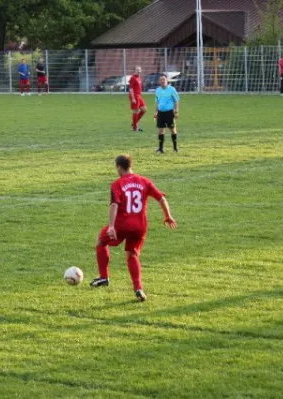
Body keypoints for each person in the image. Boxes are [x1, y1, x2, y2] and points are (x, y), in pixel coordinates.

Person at [90, 154, 177, 302]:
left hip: (121, 225)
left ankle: (104, 277)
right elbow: (161, 198)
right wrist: (168, 215)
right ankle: (138, 288)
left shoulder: (117, 184)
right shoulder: (144, 181)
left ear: (119, 167)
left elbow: (114, 205)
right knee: (132, 254)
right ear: (130, 166)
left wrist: (111, 226)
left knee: (101, 241)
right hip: (139, 226)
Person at [154, 74, 180, 153]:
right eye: (161, 80)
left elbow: (176, 101)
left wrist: (176, 112)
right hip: (161, 113)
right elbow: (157, 102)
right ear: (159, 81)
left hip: (169, 112)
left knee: (172, 130)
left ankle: (175, 148)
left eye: (163, 79)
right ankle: (161, 148)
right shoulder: (157, 90)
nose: (162, 81)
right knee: (160, 130)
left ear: (167, 80)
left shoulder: (172, 89)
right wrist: (156, 111)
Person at [129, 66, 147, 132]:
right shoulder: (133, 78)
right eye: (137, 70)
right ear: (134, 71)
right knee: (135, 111)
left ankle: (134, 123)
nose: (138, 71)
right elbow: (131, 89)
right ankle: (135, 128)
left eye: (139, 70)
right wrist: (133, 98)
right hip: (135, 95)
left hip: (139, 96)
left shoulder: (138, 77)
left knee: (144, 110)